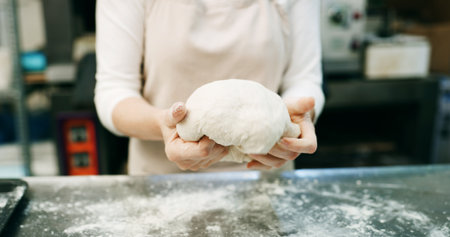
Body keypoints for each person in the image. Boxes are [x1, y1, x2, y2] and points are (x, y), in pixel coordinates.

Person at [94, 0, 325, 175]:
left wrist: (296, 119)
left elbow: (303, 79)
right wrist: (162, 124)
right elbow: (115, 90)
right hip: (163, 182)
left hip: (266, 175)